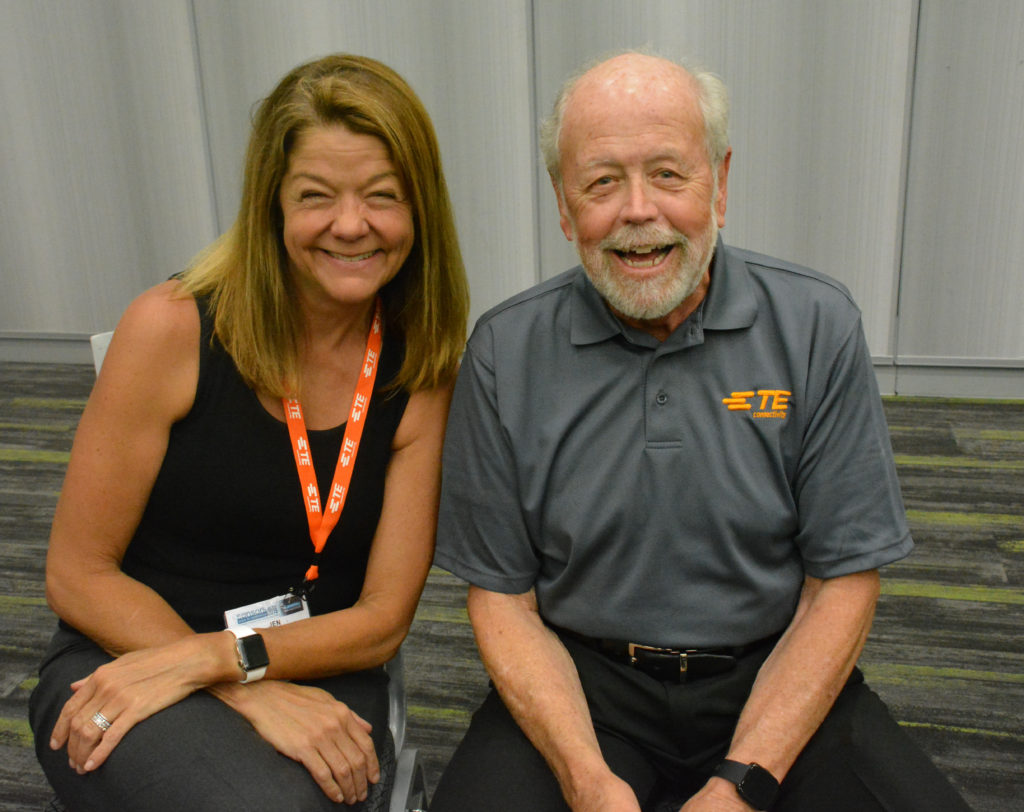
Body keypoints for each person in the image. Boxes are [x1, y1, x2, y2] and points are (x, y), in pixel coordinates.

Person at [430, 52, 970, 811]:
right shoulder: (503, 353)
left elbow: (841, 584)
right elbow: (502, 603)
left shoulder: (817, 326)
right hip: (584, 686)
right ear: (562, 204)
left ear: (720, 185)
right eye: (601, 182)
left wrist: (744, 782)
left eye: (669, 174)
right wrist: (586, 781)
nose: (637, 210)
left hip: (774, 673)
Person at [29, 53, 468, 811]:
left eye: (383, 197)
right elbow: (78, 575)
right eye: (316, 197)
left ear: (421, 209)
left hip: (319, 667)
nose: (351, 224)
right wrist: (240, 686)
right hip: (128, 655)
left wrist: (225, 665)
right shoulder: (170, 328)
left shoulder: (423, 368)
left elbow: (380, 620)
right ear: (270, 205)